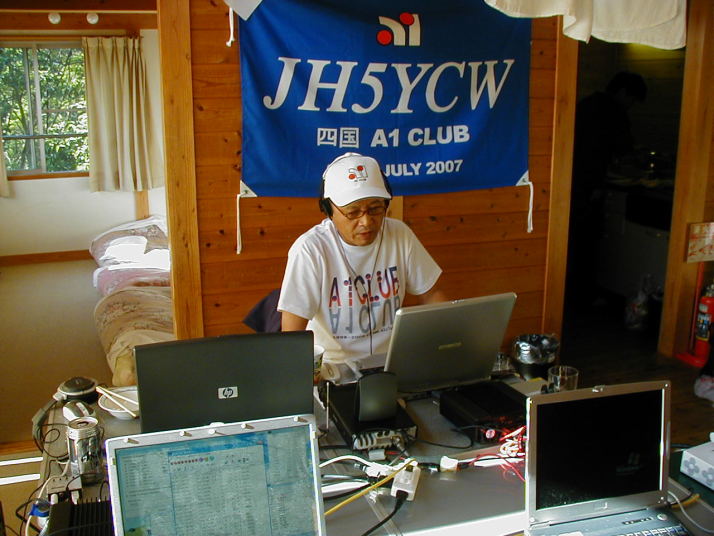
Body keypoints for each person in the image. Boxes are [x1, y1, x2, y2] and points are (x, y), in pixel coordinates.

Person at [278, 152, 446, 364]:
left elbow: (431, 294)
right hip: (333, 367)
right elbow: (292, 334)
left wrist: (447, 340)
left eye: (375, 209)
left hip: (391, 361)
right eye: (353, 212)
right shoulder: (310, 250)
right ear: (329, 210)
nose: (366, 221)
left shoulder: (399, 234)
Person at [566, 71, 647, 307]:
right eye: (632, 99)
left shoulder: (586, 104)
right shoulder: (614, 112)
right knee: (586, 243)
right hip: (589, 186)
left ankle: (569, 296)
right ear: (622, 93)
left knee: (573, 241)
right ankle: (583, 297)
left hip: (570, 183)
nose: (631, 105)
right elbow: (624, 149)